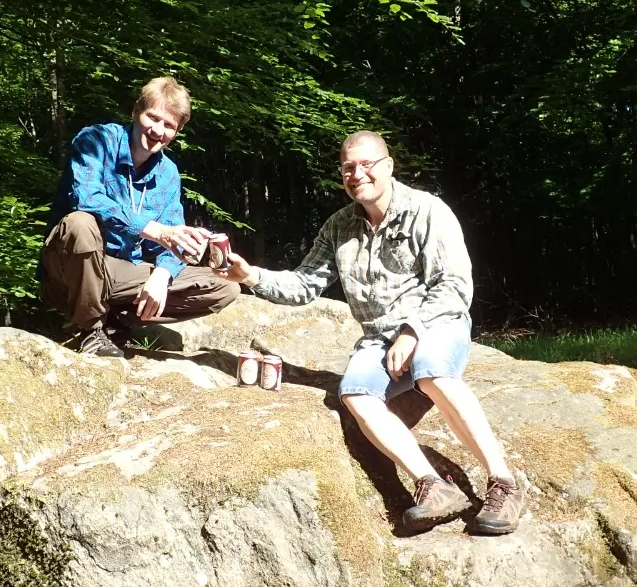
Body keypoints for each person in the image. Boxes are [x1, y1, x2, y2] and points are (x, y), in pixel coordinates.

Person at [218, 131, 523, 535]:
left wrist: (412, 332)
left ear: (388, 166)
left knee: (431, 369)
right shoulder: (338, 227)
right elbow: (305, 285)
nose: (357, 174)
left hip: (436, 323)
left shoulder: (427, 211)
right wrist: (250, 276)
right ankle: (434, 486)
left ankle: (504, 483)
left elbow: (453, 285)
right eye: (348, 167)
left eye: (367, 164)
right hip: (379, 339)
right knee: (354, 392)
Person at [40, 77, 239, 357]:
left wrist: (162, 273)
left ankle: (117, 322)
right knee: (79, 223)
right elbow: (86, 198)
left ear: (177, 131)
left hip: (120, 271)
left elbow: (171, 240)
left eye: (169, 125)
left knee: (225, 287)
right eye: (152, 118)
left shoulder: (168, 174)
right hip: (69, 266)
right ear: (136, 111)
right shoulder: (96, 140)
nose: (157, 130)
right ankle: (88, 329)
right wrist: (154, 230)